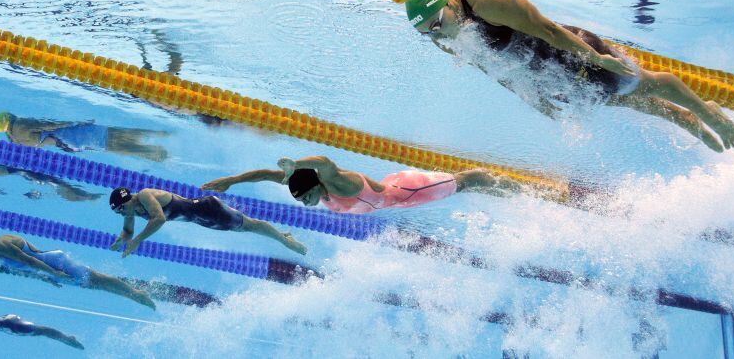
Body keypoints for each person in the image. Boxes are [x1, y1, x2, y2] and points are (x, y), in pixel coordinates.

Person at [406, 0, 734, 151]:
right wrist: (531, 97)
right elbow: (491, 67)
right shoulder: (443, 36)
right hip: (549, 76)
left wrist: (595, 56)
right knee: (627, 101)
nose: (437, 35)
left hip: (572, 52)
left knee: (649, 83)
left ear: (446, 3)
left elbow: (548, 30)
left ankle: (707, 111)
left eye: (436, 24)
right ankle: (686, 119)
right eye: (427, 33)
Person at [203, 155, 521, 214]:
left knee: (468, 181)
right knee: (463, 183)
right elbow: (267, 175)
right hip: (400, 194)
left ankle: (523, 189)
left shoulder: (337, 184)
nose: (305, 203)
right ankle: (507, 186)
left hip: (408, 190)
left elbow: (325, 162)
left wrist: (297, 163)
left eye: (306, 198)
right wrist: (232, 180)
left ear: (315, 186)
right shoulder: (316, 188)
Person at [108, 187, 307, 256]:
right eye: (118, 212)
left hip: (207, 208)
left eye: (121, 209)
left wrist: (138, 241)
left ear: (129, 199)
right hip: (200, 218)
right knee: (244, 229)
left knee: (249, 225)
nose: (122, 214)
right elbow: (127, 232)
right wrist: (122, 239)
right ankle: (282, 236)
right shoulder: (131, 210)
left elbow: (159, 219)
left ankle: (284, 240)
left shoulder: (144, 196)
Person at [0, 234, 155, 309]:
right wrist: (47, 278)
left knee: (96, 278)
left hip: (55, 263)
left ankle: (137, 292)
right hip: (51, 269)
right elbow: (28, 268)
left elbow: (30, 260)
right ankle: (134, 296)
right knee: (95, 284)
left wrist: (54, 273)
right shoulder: (0, 253)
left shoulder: (0, 245)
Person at [0, 112, 169, 162]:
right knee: (113, 134)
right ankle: (162, 137)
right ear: (9, 118)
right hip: (72, 134)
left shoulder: (15, 139)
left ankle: (155, 154)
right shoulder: (21, 124)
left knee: (108, 145)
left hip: (69, 145)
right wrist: (76, 122)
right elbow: (49, 125)